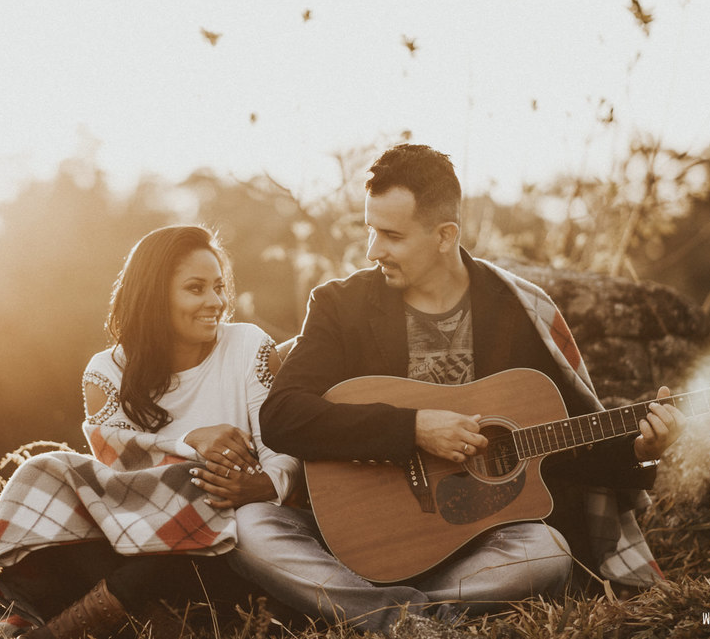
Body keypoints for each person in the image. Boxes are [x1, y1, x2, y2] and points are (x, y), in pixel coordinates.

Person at [229, 144, 685, 634]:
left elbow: (567, 441)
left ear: (445, 235)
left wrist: (643, 452)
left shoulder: (516, 310)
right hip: (355, 537)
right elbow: (283, 417)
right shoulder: (342, 306)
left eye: (391, 235)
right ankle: (406, 619)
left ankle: (377, 611)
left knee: (546, 553)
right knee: (250, 528)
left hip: (476, 548)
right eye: (370, 230)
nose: (372, 250)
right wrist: (413, 427)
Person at [0, 225, 301, 639]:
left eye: (219, 287)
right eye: (196, 288)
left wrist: (258, 487)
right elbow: (121, 486)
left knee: (178, 535)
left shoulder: (248, 346)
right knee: (47, 470)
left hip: (226, 548)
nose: (216, 301)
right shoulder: (107, 372)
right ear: (154, 295)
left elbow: (283, 450)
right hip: (136, 540)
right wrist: (189, 443)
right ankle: (38, 615)